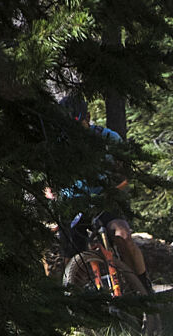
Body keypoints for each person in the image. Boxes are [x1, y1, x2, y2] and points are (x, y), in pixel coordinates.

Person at [49, 93, 151, 289]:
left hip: (104, 200)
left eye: (77, 125)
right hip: (73, 206)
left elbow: (124, 176)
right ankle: (77, 300)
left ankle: (143, 284)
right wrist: (52, 196)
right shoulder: (58, 145)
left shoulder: (108, 138)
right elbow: (47, 179)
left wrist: (112, 191)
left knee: (123, 235)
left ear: (87, 117)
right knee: (71, 259)